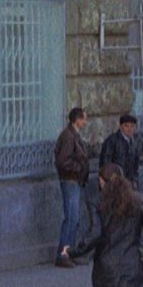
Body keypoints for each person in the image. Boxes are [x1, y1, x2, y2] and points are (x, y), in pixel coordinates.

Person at [53, 107, 90, 269]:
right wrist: (78, 168)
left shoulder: (72, 134)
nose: (86, 122)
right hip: (70, 181)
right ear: (77, 119)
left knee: (74, 219)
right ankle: (63, 254)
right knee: (71, 218)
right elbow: (63, 161)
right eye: (84, 119)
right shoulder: (68, 136)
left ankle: (70, 252)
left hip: (74, 181)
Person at [99, 114, 140, 186]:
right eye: (126, 126)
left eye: (132, 126)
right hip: (114, 182)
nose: (129, 129)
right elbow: (105, 162)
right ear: (120, 127)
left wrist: (134, 179)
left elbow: (135, 164)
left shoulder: (134, 143)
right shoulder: (112, 141)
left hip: (129, 182)